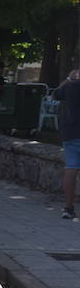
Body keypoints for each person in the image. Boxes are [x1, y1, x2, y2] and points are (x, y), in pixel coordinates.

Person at [56, 67, 80, 219]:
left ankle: (68, 207)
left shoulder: (70, 86)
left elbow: (55, 94)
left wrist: (69, 79)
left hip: (71, 131)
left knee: (71, 168)